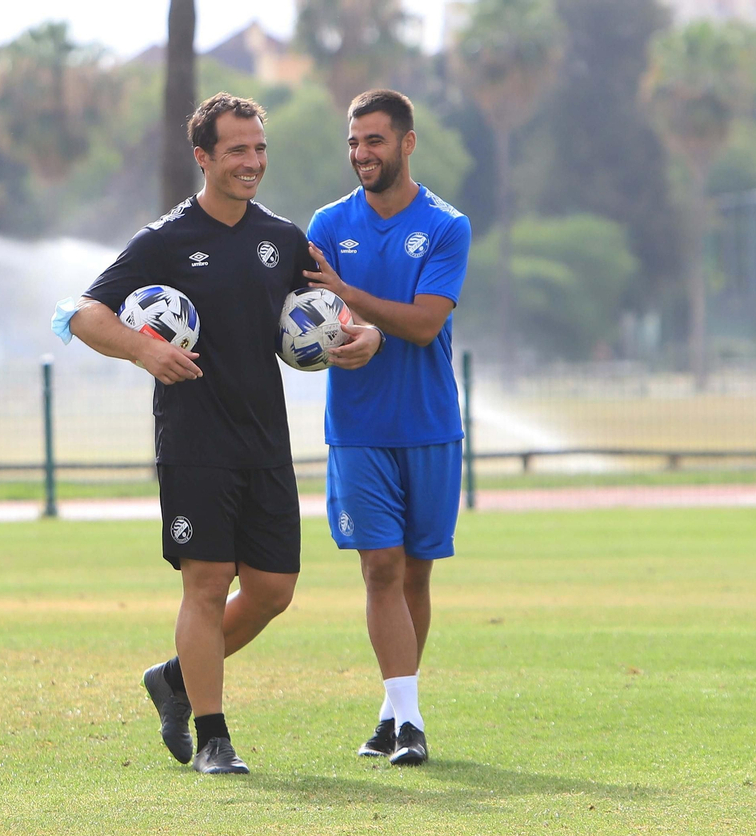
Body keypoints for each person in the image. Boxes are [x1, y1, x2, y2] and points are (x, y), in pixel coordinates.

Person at [51, 93, 382, 774]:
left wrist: (365, 336)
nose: (252, 162)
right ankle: (214, 739)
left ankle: (174, 677)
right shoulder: (166, 240)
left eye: (259, 148)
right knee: (205, 585)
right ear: (203, 158)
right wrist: (144, 351)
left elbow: (334, 309)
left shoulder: (284, 239)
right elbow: (80, 315)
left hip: (265, 439)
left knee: (273, 591)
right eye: (237, 150)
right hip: (194, 439)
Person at [301, 89, 472, 766]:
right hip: (358, 427)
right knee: (380, 568)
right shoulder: (326, 223)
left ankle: (389, 710)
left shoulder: (446, 226)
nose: (361, 154)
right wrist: (348, 328)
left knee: (417, 577)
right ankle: (411, 724)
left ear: (406, 143)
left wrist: (357, 306)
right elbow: (309, 310)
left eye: (374, 140)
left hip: (430, 425)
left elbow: (426, 322)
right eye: (353, 142)